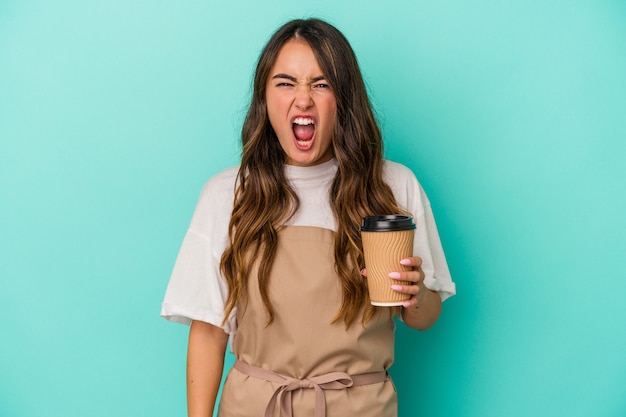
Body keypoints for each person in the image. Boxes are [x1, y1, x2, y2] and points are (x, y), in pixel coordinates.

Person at [161, 18, 456, 417]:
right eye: (286, 83)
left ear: (344, 99)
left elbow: (425, 316)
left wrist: (415, 293)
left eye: (321, 84)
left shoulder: (392, 185)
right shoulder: (226, 194)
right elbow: (210, 332)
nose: (303, 99)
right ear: (265, 99)